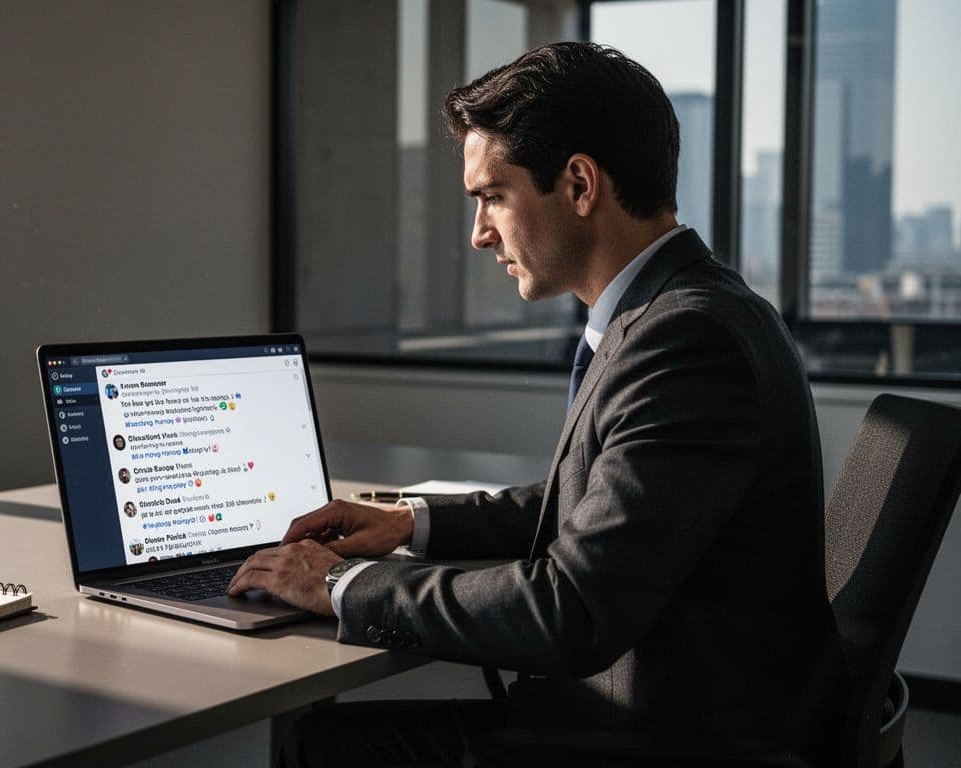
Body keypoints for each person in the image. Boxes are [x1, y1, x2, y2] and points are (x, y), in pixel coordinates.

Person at [227, 42, 843, 766]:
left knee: (323, 747)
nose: (479, 233)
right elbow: (594, 503)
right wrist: (407, 523)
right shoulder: (682, 311)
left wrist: (338, 585)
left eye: (491, 195)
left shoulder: (686, 339)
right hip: (680, 708)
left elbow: (569, 610)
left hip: (673, 737)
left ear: (580, 184)